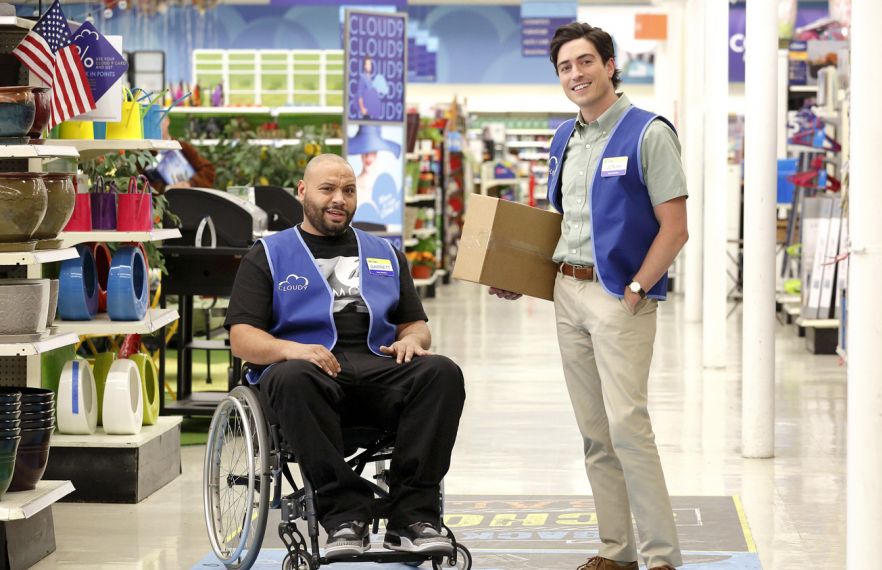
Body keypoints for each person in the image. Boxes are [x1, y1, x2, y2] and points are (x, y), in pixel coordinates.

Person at [490, 22, 690, 570]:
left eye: (584, 62)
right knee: (595, 434)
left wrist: (634, 289)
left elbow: (674, 228)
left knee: (629, 427)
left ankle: (661, 558)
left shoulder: (649, 133)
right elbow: (562, 221)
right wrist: (521, 273)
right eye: (564, 67)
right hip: (566, 294)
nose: (575, 74)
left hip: (617, 296)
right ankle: (615, 552)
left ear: (609, 64)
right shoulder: (563, 138)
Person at [225, 154, 465, 558]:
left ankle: (412, 517)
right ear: (302, 192)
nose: (339, 199)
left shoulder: (385, 253)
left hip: (377, 367)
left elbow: (413, 323)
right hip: (307, 375)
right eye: (328, 189)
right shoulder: (268, 254)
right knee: (289, 377)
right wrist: (290, 350)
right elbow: (242, 337)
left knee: (441, 372)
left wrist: (413, 340)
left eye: (348, 190)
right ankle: (343, 515)